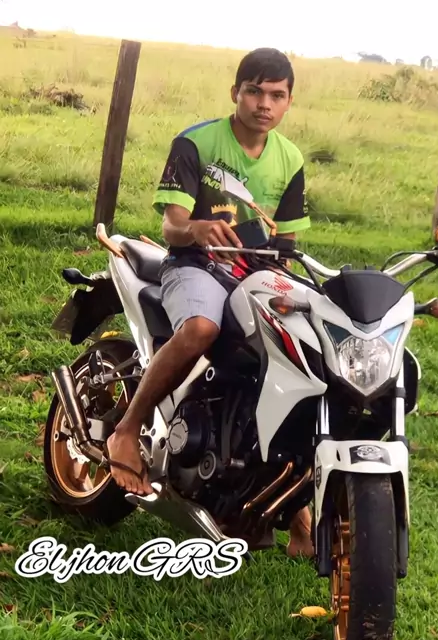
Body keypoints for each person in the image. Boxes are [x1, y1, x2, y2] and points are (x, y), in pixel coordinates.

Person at [106, 47, 314, 557]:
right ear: (235, 93)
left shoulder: (290, 158)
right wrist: (196, 229)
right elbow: (171, 227)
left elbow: (286, 245)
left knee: (300, 350)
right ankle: (127, 431)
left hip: (256, 275)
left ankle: (292, 499)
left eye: (277, 95)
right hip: (194, 265)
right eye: (255, 92)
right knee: (202, 328)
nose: (264, 104)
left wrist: (288, 289)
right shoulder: (197, 142)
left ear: (289, 101)